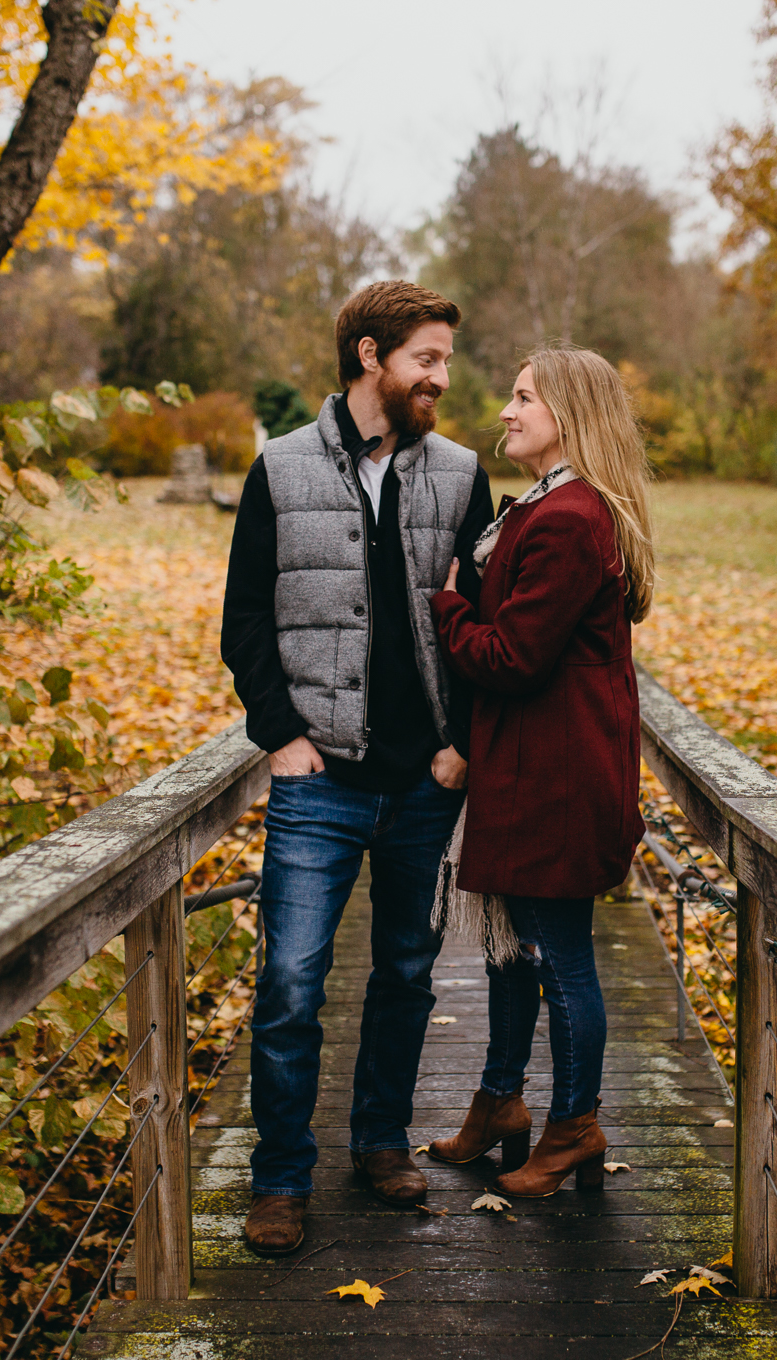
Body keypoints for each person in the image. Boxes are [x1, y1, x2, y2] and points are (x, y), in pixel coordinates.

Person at [220, 281, 495, 1254]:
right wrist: (279, 731)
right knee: (292, 980)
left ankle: (379, 1142)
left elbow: (485, 621)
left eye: (448, 362)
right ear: (371, 356)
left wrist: (461, 744)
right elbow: (245, 619)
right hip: (319, 779)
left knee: (407, 972)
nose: (442, 378)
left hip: (424, 780)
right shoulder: (281, 469)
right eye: (428, 358)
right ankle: (281, 1179)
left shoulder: (461, 475)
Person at [426, 346, 655, 1196]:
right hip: (530, 767)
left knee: (559, 958)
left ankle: (574, 1126)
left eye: (525, 398)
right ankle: (500, 1105)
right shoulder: (549, 504)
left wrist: (446, 603)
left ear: (570, 412)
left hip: (558, 777)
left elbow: (514, 655)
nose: (506, 411)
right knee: (508, 954)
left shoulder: (569, 518)